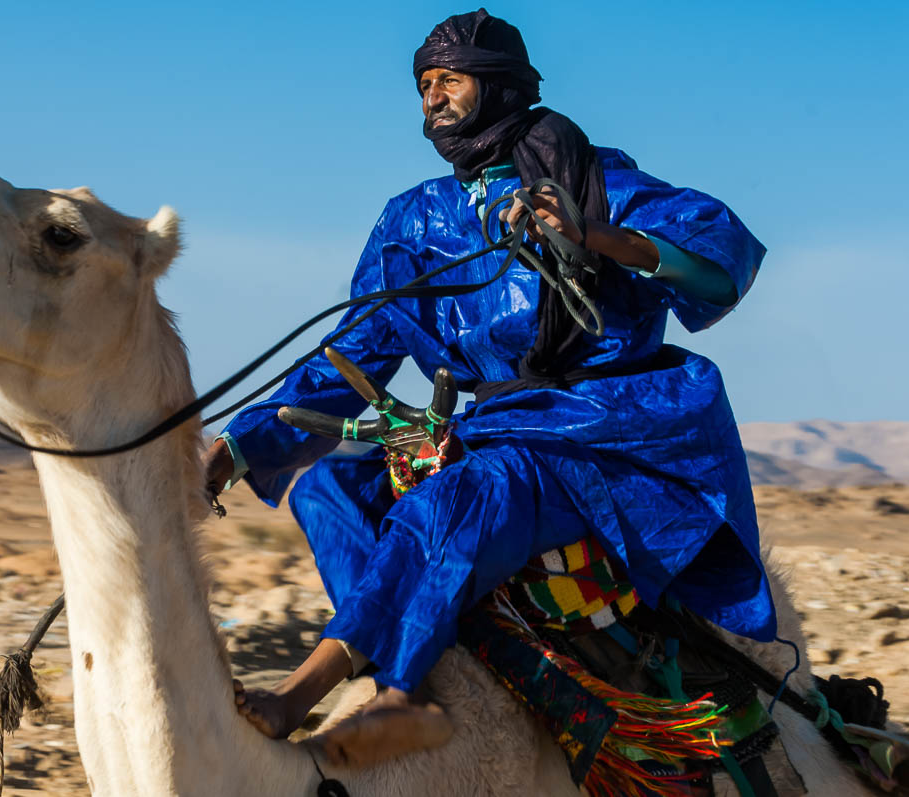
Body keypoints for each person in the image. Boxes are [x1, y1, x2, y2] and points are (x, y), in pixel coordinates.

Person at [205, 8, 772, 766]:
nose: (433, 98)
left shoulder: (596, 180)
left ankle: (368, 692)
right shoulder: (413, 221)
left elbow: (722, 262)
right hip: (493, 428)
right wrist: (237, 450)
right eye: (424, 84)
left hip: (599, 433)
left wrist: (595, 238)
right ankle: (405, 652)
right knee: (326, 489)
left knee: (459, 497)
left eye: (451, 79)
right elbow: (356, 353)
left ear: (500, 86)